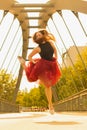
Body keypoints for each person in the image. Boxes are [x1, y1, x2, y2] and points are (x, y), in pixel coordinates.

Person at [18, 29, 61, 114]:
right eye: (36, 36)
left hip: (51, 64)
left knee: (49, 84)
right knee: (45, 84)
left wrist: (56, 59)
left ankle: (50, 105)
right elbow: (30, 56)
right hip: (42, 66)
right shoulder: (38, 48)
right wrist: (34, 62)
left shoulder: (51, 43)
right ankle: (50, 105)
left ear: (43, 35)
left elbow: (55, 51)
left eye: (39, 35)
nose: (38, 37)